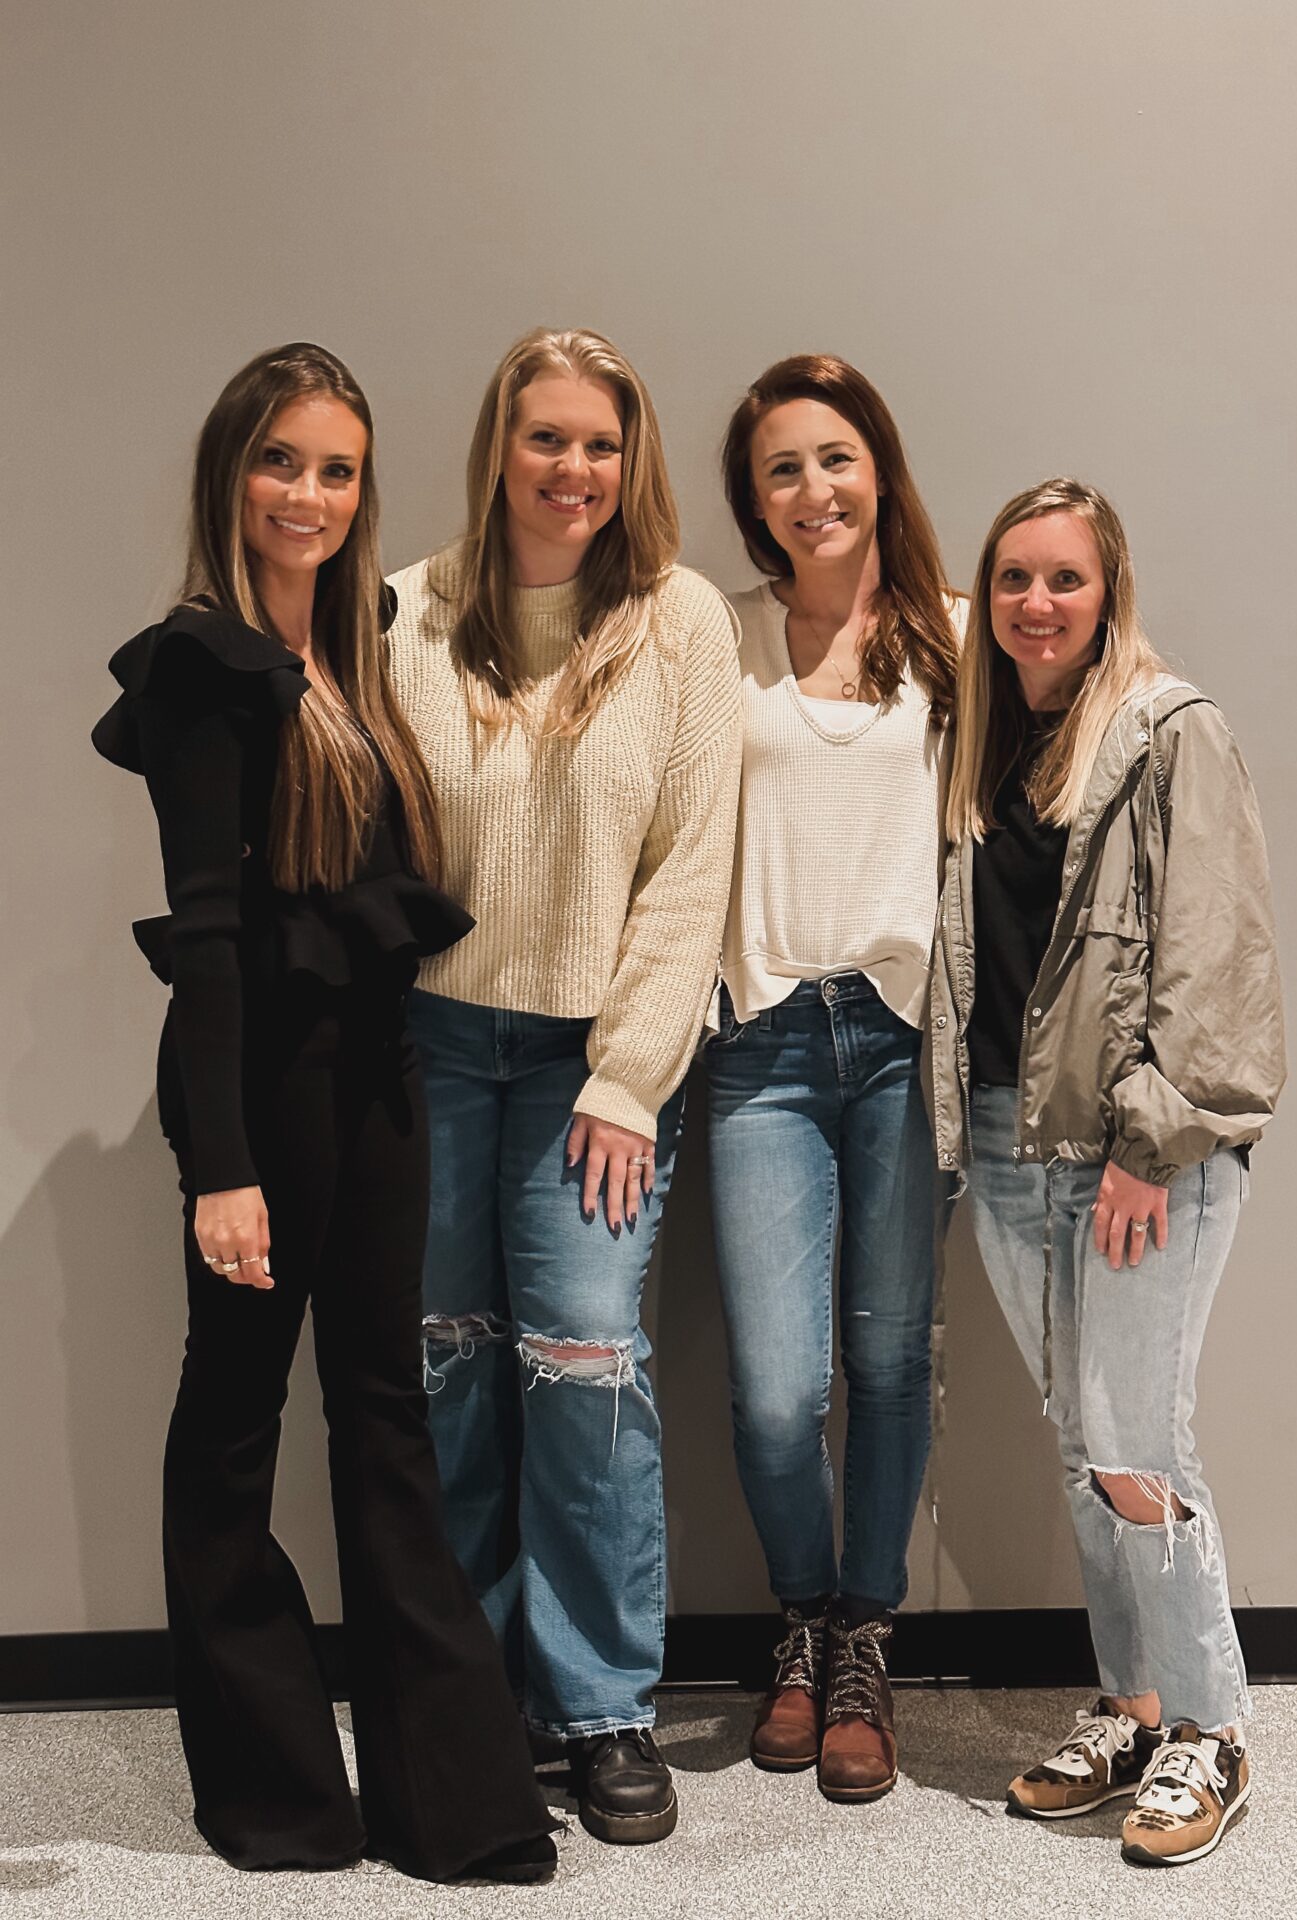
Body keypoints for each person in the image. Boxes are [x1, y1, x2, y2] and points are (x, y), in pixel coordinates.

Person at [92, 344, 558, 1884]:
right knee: (233, 1426)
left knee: (387, 1416)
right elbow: (211, 940)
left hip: (376, 1080)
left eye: (338, 468)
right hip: (254, 1091)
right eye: (282, 462)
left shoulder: (358, 647)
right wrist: (220, 1170)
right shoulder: (199, 667)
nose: (309, 494)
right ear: (233, 475)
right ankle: (278, 1796)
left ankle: (454, 1800)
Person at [387, 327, 742, 1845]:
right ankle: (468, 1695)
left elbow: (691, 880)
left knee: (587, 1364)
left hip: (593, 1064)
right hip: (432, 1047)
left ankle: (600, 1707)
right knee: (453, 1369)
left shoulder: (682, 625)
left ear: (633, 458)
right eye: (548, 439)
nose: (575, 470)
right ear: (499, 446)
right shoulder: (406, 609)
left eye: (602, 443)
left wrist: (630, 1077)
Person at [930, 476, 1285, 1866]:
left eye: (1064, 578)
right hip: (1021, 1148)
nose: (1036, 603)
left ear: (1109, 589)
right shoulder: (983, 747)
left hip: (1143, 1151)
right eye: (1014, 577)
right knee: (1088, 1450)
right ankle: (1132, 1705)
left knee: (1142, 1444)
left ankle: (1213, 1729)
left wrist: (1155, 1138)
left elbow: (1217, 954)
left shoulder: (1172, 732)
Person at [707, 355, 959, 1801]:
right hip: (761, 1044)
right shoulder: (719, 638)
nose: (814, 490)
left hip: (904, 1038)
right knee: (772, 1387)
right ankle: (799, 1616)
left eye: (836, 459)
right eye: (784, 469)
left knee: (887, 1362)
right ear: (757, 500)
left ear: (881, 469)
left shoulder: (956, 638)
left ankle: (864, 1636)